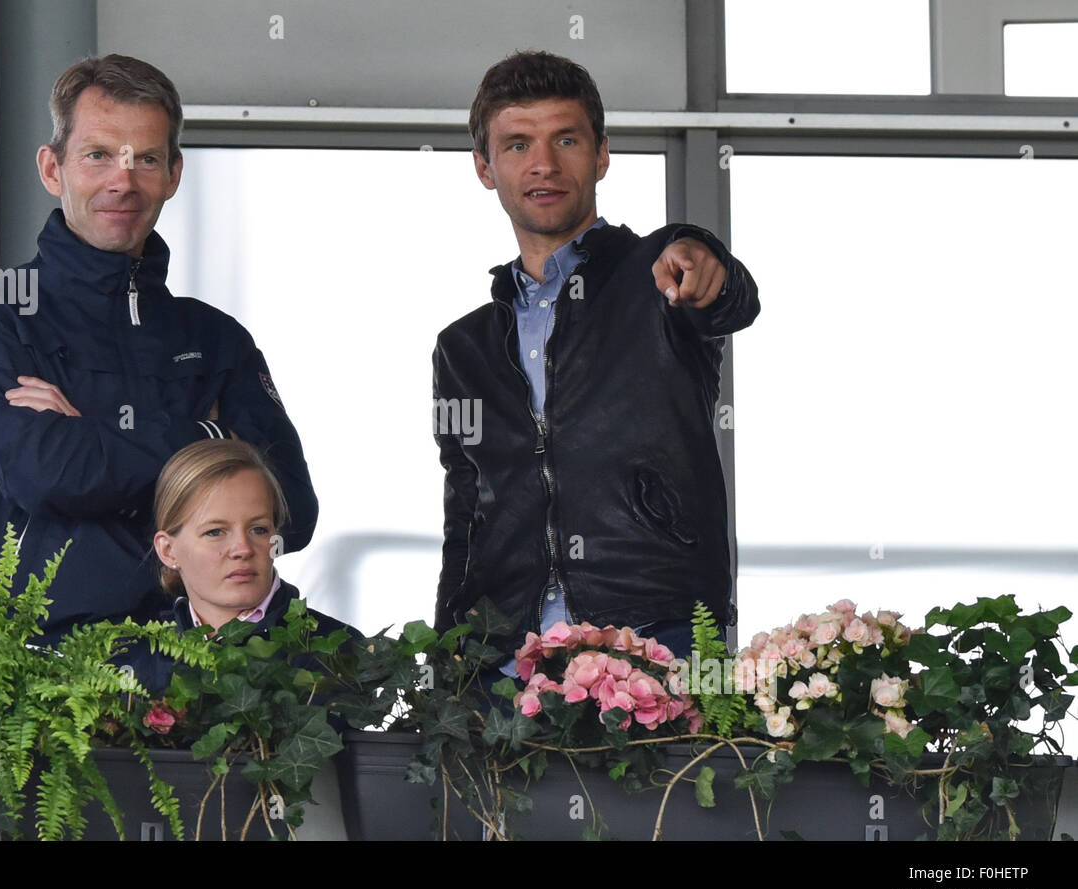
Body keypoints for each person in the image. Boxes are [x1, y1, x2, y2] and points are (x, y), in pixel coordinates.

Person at [0, 55, 318, 639]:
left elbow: (291, 503)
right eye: (98, 155)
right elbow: (48, 475)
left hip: (204, 668)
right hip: (37, 672)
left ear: (173, 174)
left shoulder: (217, 340)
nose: (124, 181)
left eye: (145, 159)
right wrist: (209, 438)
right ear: (52, 169)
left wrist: (89, 434)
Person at [432, 51, 761, 671]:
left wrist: (701, 256)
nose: (544, 165)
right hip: (502, 659)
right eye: (517, 145)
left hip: (665, 634)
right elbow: (464, 510)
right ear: (484, 167)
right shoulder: (462, 348)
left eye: (566, 139)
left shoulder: (659, 278)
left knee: (707, 775)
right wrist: (448, 656)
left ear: (601, 153)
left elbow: (730, 298)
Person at [123, 438, 356, 693]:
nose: (243, 549)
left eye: (259, 529)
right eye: (215, 532)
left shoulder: (341, 651)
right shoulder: (130, 659)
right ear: (168, 551)